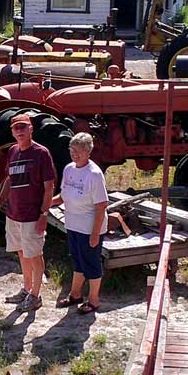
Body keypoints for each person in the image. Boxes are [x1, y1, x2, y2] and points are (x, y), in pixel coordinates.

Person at [0, 113, 56, 312]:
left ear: (31, 128)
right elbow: (9, 180)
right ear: (12, 131)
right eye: (16, 128)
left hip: (32, 215)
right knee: (21, 252)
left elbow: (49, 186)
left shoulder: (41, 153)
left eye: (23, 127)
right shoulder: (12, 151)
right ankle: (26, 289)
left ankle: (36, 295)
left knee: (35, 254)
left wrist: (44, 214)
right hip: (13, 213)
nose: (19, 131)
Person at [51, 132, 108, 315]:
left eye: (79, 150)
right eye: (72, 149)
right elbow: (63, 196)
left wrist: (94, 234)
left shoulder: (95, 174)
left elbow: (101, 206)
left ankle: (94, 300)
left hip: (89, 227)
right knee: (77, 260)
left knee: (91, 262)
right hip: (72, 225)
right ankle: (75, 295)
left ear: (88, 151)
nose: (74, 153)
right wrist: (46, 202)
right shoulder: (68, 169)